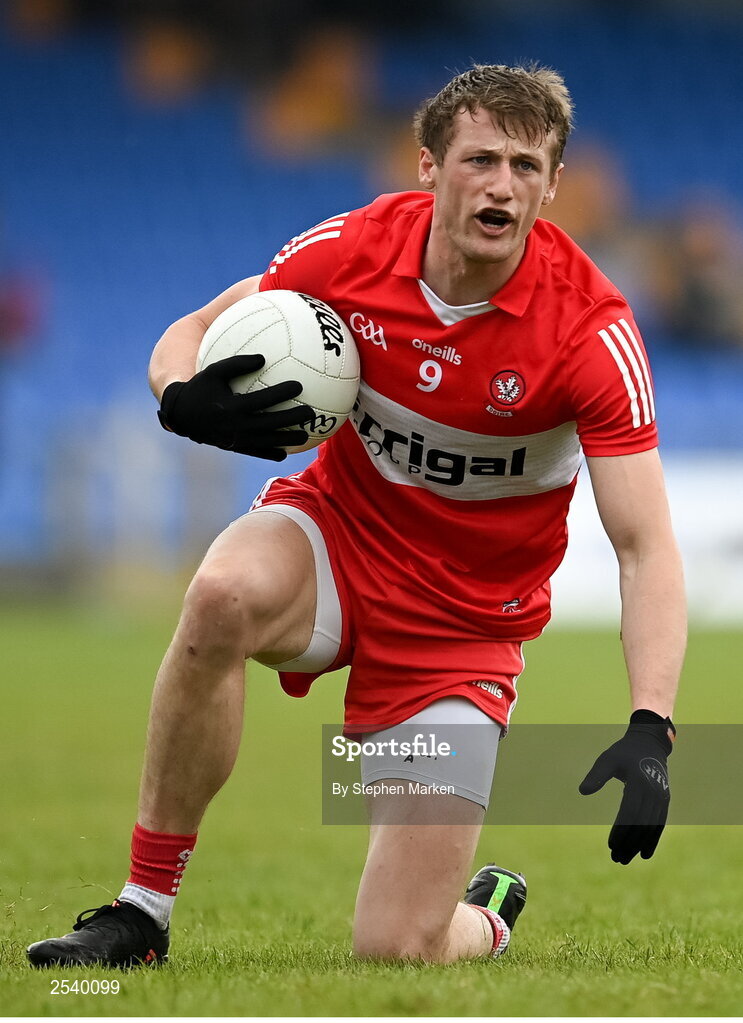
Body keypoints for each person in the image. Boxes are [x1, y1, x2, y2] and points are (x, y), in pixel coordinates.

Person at [27, 63, 685, 969]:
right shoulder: (351, 249)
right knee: (220, 591)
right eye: (481, 159)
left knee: (395, 945)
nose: (502, 184)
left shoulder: (589, 333)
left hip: (461, 624)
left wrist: (652, 724)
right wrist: (180, 395)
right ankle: (141, 910)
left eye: (527, 166)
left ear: (553, 185)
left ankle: (485, 915)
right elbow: (190, 331)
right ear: (428, 165)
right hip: (336, 539)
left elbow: (644, 547)